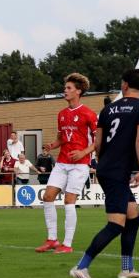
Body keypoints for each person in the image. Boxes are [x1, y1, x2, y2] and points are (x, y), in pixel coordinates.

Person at [71, 69, 139, 278]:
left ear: (124, 85)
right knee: (116, 224)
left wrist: (103, 164)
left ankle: (127, 268)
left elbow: (98, 144)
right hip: (117, 171)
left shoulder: (107, 109)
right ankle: (81, 267)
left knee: (134, 217)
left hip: (108, 168)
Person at [35, 73, 97, 254]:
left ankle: (67, 244)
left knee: (69, 201)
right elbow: (61, 138)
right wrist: (52, 145)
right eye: (65, 88)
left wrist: (83, 152)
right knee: (48, 197)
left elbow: (99, 141)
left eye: (69, 88)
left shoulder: (89, 114)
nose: (65, 91)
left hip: (80, 164)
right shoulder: (61, 114)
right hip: (62, 163)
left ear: (78, 91)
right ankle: (52, 240)